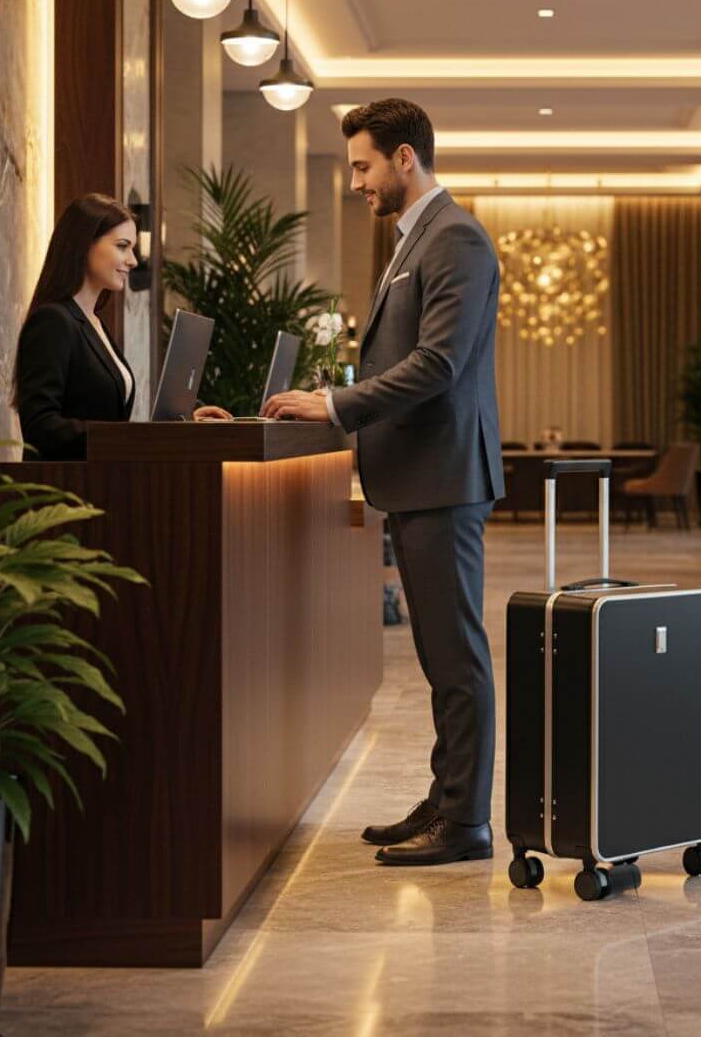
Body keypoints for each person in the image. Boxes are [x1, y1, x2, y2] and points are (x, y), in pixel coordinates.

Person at [261, 98, 505, 866]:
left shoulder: (455, 237)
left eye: (364, 165)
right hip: (419, 477)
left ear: (406, 159)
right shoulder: (413, 240)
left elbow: (438, 365)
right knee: (438, 653)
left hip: (444, 475)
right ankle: (445, 798)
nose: (357, 181)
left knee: (456, 654)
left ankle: (466, 822)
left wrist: (334, 402)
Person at [14, 194, 224, 459]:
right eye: (122, 246)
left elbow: (105, 419)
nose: (133, 261)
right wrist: (136, 436)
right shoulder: (53, 321)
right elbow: (40, 427)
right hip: (66, 491)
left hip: (102, 484)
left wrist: (170, 429)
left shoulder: (95, 323)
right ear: (84, 245)